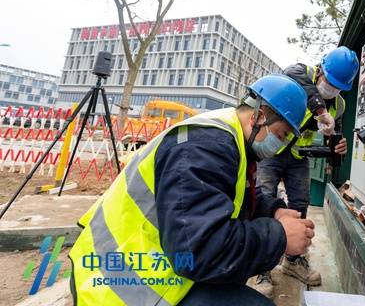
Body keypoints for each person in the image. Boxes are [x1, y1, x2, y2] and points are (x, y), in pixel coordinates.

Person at [68, 74, 313, 306]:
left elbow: (230, 193)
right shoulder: (204, 147)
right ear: (259, 117)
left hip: (158, 265)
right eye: (280, 135)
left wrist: (274, 212)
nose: (279, 146)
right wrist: (279, 237)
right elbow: (199, 250)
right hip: (120, 288)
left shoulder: (229, 137)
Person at [254, 46, 359, 297]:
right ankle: (262, 267)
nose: (331, 89)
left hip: (298, 156)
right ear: (321, 69)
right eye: (329, 82)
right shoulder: (300, 73)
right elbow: (295, 78)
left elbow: (336, 134)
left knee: (300, 204)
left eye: (338, 87)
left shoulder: (340, 106)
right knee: (265, 200)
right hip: (272, 152)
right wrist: (321, 111)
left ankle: (293, 260)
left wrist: (338, 144)